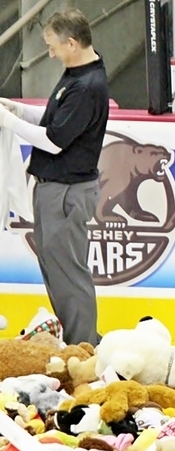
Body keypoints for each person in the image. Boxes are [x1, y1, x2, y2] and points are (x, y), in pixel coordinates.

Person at [0, 8, 108, 346]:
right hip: (53, 189)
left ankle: (83, 346)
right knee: (55, 269)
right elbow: (55, 121)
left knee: (68, 274)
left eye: (53, 46)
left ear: (72, 44)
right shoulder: (75, 75)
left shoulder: (87, 86)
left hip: (66, 191)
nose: (50, 53)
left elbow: (54, 140)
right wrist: (19, 112)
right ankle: (74, 342)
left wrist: (7, 121)